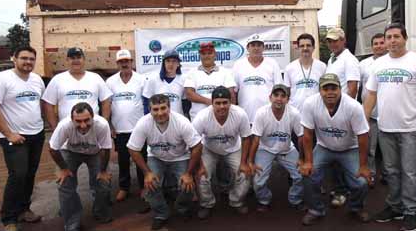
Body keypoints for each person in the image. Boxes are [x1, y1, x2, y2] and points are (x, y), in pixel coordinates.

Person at [364, 23, 416, 231]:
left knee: (410, 173)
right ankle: (395, 206)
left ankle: (412, 211)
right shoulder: (378, 65)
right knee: (391, 171)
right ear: (384, 41)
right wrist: (362, 122)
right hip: (386, 129)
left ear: (405, 38)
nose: (392, 40)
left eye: (396, 36)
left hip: (412, 129)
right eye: (389, 37)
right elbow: (371, 95)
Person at [0, 46, 45, 231]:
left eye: (31, 59)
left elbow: (39, 103)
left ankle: (24, 210)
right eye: (24, 58)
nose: (28, 62)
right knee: (17, 175)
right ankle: (9, 218)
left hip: (37, 134)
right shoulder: (0, 79)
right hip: (14, 137)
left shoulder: (36, 80)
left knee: (30, 174)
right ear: (14, 58)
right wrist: (9, 133)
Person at [299, 73, 371, 226]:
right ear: (319, 90)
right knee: (308, 175)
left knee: (361, 182)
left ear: (340, 89)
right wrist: (308, 162)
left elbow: (363, 136)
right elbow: (307, 135)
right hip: (324, 147)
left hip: (349, 148)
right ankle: (316, 209)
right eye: (326, 89)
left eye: (334, 88)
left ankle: (356, 207)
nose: (330, 92)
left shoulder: (353, 106)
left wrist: (364, 166)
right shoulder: (310, 104)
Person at [127, 94, 202, 230]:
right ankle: (161, 213)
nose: (160, 113)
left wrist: (189, 173)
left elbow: (196, 146)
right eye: (155, 109)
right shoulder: (144, 123)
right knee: (151, 183)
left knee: (187, 184)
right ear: (150, 110)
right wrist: (147, 173)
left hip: (180, 157)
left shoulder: (181, 122)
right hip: (156, 157)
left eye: (163, 108)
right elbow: (133, 149)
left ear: (169, 108)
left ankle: (181, 208)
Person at [48, 102, 113, 231]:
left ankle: (100, 211)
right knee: (65, 183)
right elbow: (52, 149)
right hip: (70, 151)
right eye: (78, 121)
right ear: (72, 120)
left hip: (95, 152)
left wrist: (103, 171)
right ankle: (72, 223)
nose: (83, 125)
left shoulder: (102, 125)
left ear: (93, 117)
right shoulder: (64, 126)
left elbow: (106, 149)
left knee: (103, 182)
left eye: (86, 120)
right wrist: (64, 169)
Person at [193, 86, 252, 219]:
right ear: (212, 103)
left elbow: (246, 138)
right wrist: (200, 166)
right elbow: (194, 142)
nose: (221, 106)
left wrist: (244, 162)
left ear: (230, 102)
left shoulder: (240, 114)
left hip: (233, 149)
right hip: (209, 149)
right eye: (218, 103)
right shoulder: (202, 116)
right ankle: (207, 203)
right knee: (202, 175)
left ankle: (236, 201)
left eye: (225, 102)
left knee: (244, 173)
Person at [248, 84, 304, 212]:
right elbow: (255, 138)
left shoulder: (294, 113)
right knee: (258, 182)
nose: (279, 98)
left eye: (283, 96)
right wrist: (250, 162)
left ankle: (295, 199)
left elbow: (301, 137)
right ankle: (264, 200)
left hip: (287, 149)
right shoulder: (261, 112)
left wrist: (302, 158)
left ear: (287, 100)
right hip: (265, 149)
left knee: (301, 175)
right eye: (276, 95)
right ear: (270, 97)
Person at [105, 49, 148, 210]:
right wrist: (109, 125)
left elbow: (147, 102)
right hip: (119, 129)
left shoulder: (141, 79)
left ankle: (144, 186)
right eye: (121, 62)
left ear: (132, 62)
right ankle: (124, 187)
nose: (124, 64)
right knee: (123, 160)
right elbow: (107, 104)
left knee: (141, 158)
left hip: (139, 128)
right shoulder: (110, 82)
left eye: (127, 61)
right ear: (117, 64)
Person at [325, 27, 361, 207]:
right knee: (334, 152)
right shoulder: (332, 59)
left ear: (343, 40)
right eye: (330, 41)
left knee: (344, 154)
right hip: (332, 112)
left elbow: (353, 87)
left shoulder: (349, 60)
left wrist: (345, 113)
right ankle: (340, 188)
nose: (332, 43)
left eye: (336, 40)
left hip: (343, 114)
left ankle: (346, 191)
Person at [42, 47, 112, 129]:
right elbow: (48, 105)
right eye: (72, 58)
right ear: (67, 60)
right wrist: (55, 128)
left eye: (79, 57)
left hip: (92, 129)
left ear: (84, 60)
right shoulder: (57, 79)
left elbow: (106, 101)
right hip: (67, 130)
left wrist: (103, 124)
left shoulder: (96, 78)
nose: (76, 60)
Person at [232, 34, 283, 124]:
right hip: (245, 117)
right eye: (253, 45)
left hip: (268, 116)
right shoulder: (238, 65)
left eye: (259, 45)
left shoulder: (272, 63)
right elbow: (233, 92)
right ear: (247, 48)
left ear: (263, 48)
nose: (256, 48)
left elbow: (279, 90)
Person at [358, 33, 387, 186]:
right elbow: (358, 87)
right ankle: (371, 175)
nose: (379, 46)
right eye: (375, 43)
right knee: (369, 149)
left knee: (387, 150)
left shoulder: (392, 63)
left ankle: (388, 175)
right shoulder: (363, 64)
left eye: (382, 43)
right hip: (370, 114)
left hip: (388, 115)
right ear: (372, 46)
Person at [184, 42, 236, 120]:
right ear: (200, 56)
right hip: (198, 118)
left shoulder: (226, 72)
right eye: (203, 54)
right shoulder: (192, 72)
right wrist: (211, 102)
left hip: (221, 119)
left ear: (215, 55)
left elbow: (231, 95)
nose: (206, 56)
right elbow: (189, 94)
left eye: (209, 53)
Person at [284, 33, 326, 112]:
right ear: (298, 48)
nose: (305, 48)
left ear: (313, 47)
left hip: (316, 112)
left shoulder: (322, 67)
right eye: (302, 46)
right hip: (295, 112)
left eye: (308, 45)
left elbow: (324, 90)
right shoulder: (289, 68)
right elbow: (287, 93)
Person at [143, 49, 186, 115]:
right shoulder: (153, 79)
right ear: (164, 63)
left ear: (178, 64)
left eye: (174, 61)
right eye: (168, 61)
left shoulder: (183, 80)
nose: (171, 64)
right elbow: (146, 101)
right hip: (159, 119)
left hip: (177, 121)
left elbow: (186, 104)